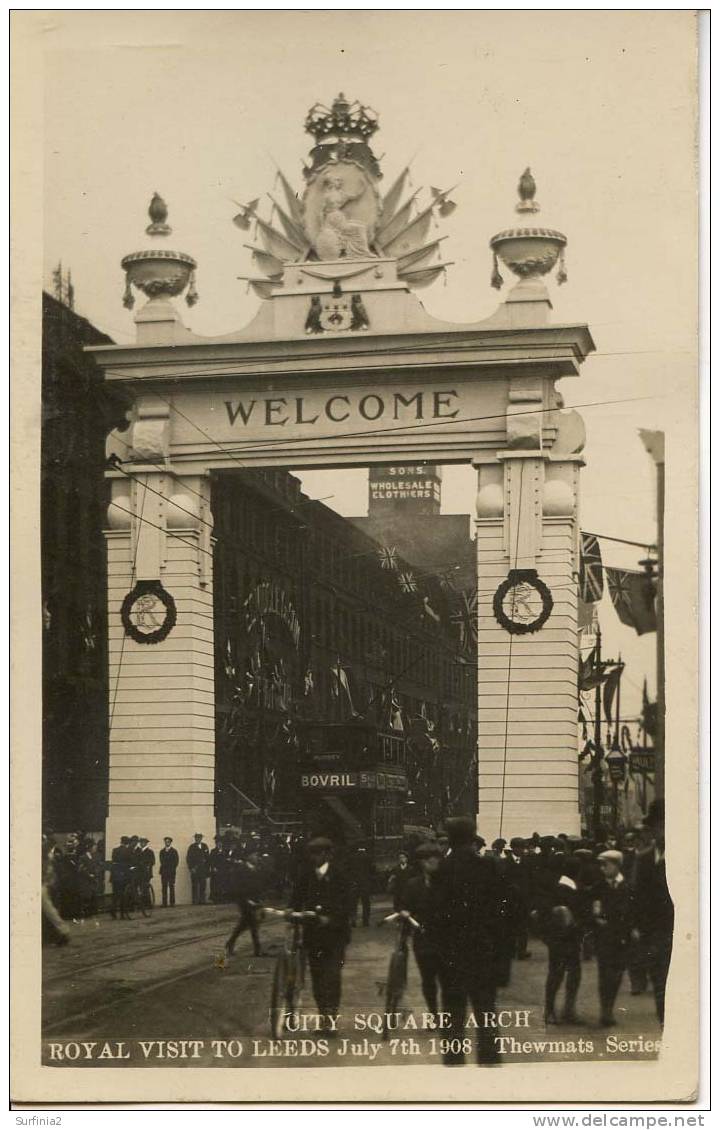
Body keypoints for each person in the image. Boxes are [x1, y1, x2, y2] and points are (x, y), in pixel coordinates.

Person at [425, 817, 509, 1065]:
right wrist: (503, 962)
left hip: (451, 959)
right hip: (484, 955)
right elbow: (503, 919)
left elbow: (434, 921)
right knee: (486, 1016)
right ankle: (490, 1065)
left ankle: (455, 1067)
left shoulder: (441, 871)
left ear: (449, 838)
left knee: (453, 1018)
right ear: (473, 836)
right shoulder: (490, 868)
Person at [290, 837, 353, 1025]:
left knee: (332, 976)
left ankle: (331, 1017)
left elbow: (349, 904)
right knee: (317, 977)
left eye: (318, 853)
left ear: (327, 854)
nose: (314, 858)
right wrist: (290, 910)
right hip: (313, 935)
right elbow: (296, 896)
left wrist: (332, 918)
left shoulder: (340, 874)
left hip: (336, 935)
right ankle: (323, 1015)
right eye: (312, 854)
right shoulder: (306, 874)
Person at [631, 801, 673, 1025]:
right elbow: (637, 898)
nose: (662, 832)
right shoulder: (644, 859)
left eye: (666, 826)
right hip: (656, 936)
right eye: (659, 827)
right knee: (661, 985)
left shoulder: (695, 856)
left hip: (688, 935)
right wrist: (639, 931)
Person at [540, 856, 585, 1024]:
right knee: (565, 974)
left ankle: (555, 1010)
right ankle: (562, 1010)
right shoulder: (566, 887)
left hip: (561, 939)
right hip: (565, 938)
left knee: (559, 974)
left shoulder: (562, 886)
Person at [591, 849, 634, 1026]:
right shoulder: (599, 886)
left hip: (622, 938)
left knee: (617, 974)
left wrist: (631, 930)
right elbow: (591, 907)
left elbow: (633, 911)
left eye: (606, 865)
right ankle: (605, 1011)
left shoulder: (628, 885)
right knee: (604, 974)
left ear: (616, 866)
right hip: (604, 937)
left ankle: (609, 1006)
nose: (603, 869)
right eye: (601, 865)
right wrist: (595, 920)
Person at [400, 842, 444, 1015]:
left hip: (445, 938)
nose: (427, 863)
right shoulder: (413, 884)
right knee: (428, 979)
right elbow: (405, 905)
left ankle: (450, 1016)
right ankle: (434, 1013)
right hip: (423, 938)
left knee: (448, 979)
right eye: (423, 860)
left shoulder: (448, 883)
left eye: (430, 859)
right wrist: (404, 912)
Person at [224, 848, 266, 959]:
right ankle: (257, 949)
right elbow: (238, 886)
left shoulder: (255, 868)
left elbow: (257, 886)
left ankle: (230, 942)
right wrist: (247, 899)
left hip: (253, 899)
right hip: (244, 900)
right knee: (253, 924)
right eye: (255, 855)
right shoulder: (241, 869)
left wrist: (258, 900)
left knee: (244, 924)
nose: (257, 857)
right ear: (249, 856)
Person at [349, 844, 374, 927]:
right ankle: (365, 921)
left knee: (353, 903)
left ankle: (353, 919)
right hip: (365, 883)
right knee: (366, 902)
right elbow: (372, 870)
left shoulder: (352, 857)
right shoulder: (368, 857)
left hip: (355, 883)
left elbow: (349, 870)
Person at [110, 836, 132, 920]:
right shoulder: (128, 851)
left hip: (115, 875)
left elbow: (113, 861)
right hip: (123, 876)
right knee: (123, 895)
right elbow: (130, 863)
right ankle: (122, 914)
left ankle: (113, 911)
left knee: (115, 894)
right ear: (127, 843)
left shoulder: (115, 850)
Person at [187, 833, 210, 905]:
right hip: (195, 869)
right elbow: (189, 858)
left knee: (203, 885)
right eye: (196, 838)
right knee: (195, 885)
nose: (198, 839)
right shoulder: (191, 847)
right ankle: (195, 900)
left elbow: (207, 858)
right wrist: (191, 868)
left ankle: (202, 900)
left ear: (201, 839)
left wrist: (207, 868)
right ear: (195, 839)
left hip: (203, 869)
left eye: (199, 838)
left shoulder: (205, 846)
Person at [159, 837, 179, 907]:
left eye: (168, 841)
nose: (167, 843)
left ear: (170, 842)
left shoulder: (174, 851)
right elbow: (161, 861)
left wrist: (171, 868)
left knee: (171, 886)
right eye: (166, 841)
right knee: (164, 887)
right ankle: (164, 903)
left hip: (171, 871)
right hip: (164, 871)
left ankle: (172, 902)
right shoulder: (162, 851)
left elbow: (176, 862)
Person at [209, 836, 226, 903]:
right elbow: (211, 860)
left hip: (223, 871)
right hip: (216, 871)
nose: (219, 844)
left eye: (220, 843)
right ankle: (215, 899)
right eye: (218, 843)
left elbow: (226, 861)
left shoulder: (225, 851)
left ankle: (222, 899)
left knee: (222, 884)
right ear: (216, 844)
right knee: (215, 885)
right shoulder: (213, 851)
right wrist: (213, 867)